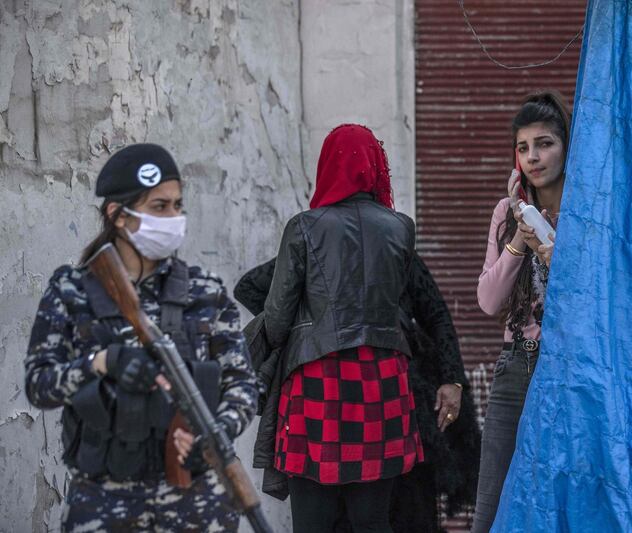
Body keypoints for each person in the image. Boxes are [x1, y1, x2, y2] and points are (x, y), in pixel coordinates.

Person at [24, 144, 258, 531]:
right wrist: (101, 363)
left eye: (177, 206)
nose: (174, 217)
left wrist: (214, 436)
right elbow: (38, 385)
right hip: (105, 503)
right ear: (118, 215)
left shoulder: (205, 290)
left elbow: (243, 385)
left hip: (196, 505)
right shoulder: (73, 290)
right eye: (159, 207)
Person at [235, 251, 481, 532]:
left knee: (401, 506)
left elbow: (436, 315)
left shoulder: (394, 248)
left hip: (396, 395)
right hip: (329, 399)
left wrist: (453, 380)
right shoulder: (314, 248)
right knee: (334, 508)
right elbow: (249, 287)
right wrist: (305, 329)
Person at [262, 124, 424, 533]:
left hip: (319, 377)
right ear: (373, 166)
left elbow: (278, 317)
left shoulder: (303, 227)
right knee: (372, 520)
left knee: (312, 521)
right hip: (383, 378)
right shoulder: (401, 226)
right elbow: (399, 299)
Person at [471, 90, 571, 533]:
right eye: (523, 147)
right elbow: (489, 302)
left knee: (565, 498)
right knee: (490, 504)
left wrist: (549, 250)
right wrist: (518, 237)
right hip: (516, 366)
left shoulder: (590, 212)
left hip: (570, 370)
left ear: (568, 146)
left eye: (545, 143)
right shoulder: (504, 213)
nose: (533, 156)